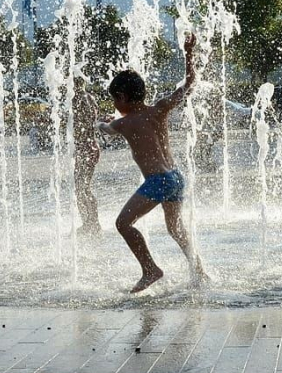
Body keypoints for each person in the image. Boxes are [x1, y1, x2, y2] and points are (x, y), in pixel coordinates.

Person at [98, 32, 208, 293]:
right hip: (176, 178)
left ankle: (150, 269)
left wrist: (97, 123)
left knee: (123, 223)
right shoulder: (160, 108)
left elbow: (108, 128)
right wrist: (188, 53)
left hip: (158, 181)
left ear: (123, 97)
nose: (115, 104)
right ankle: (199, 271)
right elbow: (190, 84)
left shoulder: (123, 123)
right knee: (176, 228)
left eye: (115, 99)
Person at [73, 76, 101, 236]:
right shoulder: (89, 98)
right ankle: (90, 222)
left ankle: (92, 223)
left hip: (86, 148)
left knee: (82, 187)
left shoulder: (80, 99)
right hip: (87, 147)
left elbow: (85, 125)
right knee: (81, 187)